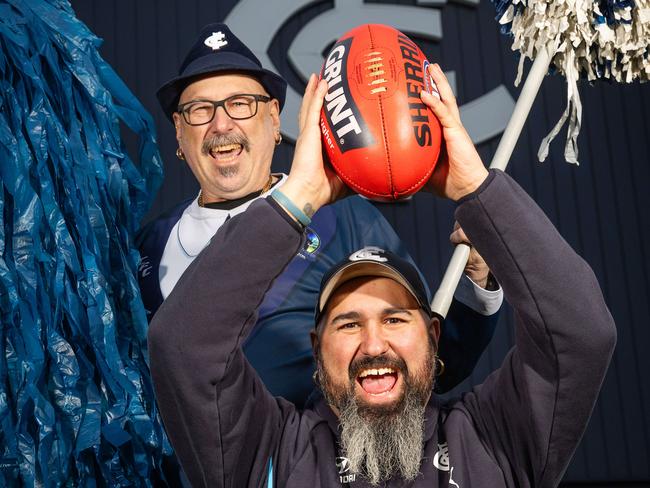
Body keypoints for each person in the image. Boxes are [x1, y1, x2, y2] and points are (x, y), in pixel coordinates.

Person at [147, 62, 616, 487]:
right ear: (316, 348)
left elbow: (581, 333)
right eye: (348, 324)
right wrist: (298, 198)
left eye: (395, 319)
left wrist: (478, 190)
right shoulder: (272, 453)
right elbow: (183, 344)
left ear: (433, 338)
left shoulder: (491, 440)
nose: (373, 345)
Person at [138, 23, 503, 404]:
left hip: (313, 459)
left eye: (240, 104)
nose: (222, 124)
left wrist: (478, 279)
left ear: (275, 118)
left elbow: (428, 363)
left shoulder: (340, 220)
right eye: (199, 110)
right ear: (179, 132)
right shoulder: (149, 247)